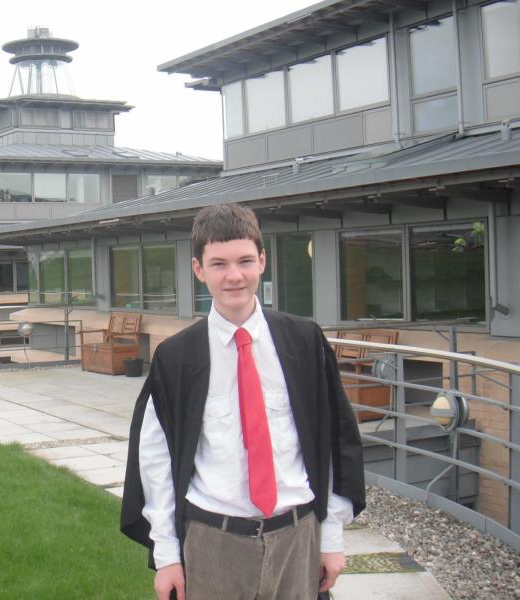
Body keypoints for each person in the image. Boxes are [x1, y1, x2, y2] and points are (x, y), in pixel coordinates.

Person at [120, 203, 365, 600]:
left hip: (297, 537)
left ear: (262, 261)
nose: (234, 276)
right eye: (218, 264)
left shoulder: (304, 342)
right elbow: (155, 459)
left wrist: (332, 536)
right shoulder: (178, 357)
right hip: (213, 543)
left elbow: (335, 441)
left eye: (245, 261)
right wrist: (167, 556)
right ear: (199, 269)